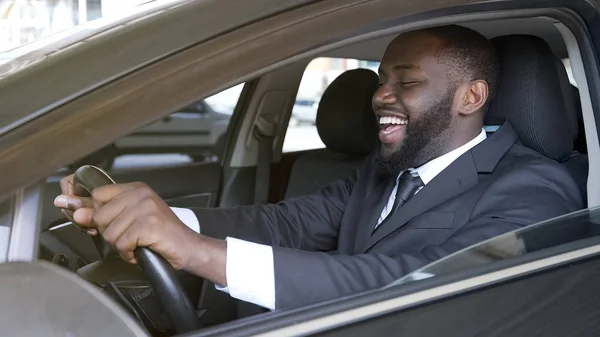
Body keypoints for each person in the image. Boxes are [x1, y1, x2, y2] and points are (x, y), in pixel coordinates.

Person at [54, 25, 582, 311]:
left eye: (406, 81)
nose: (379, 95)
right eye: (380, 78)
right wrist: (161, 221)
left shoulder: (536, 188)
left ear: (472, 96)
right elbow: (286, 223)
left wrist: (196, 253)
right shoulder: (383, 171)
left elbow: (415, 283)